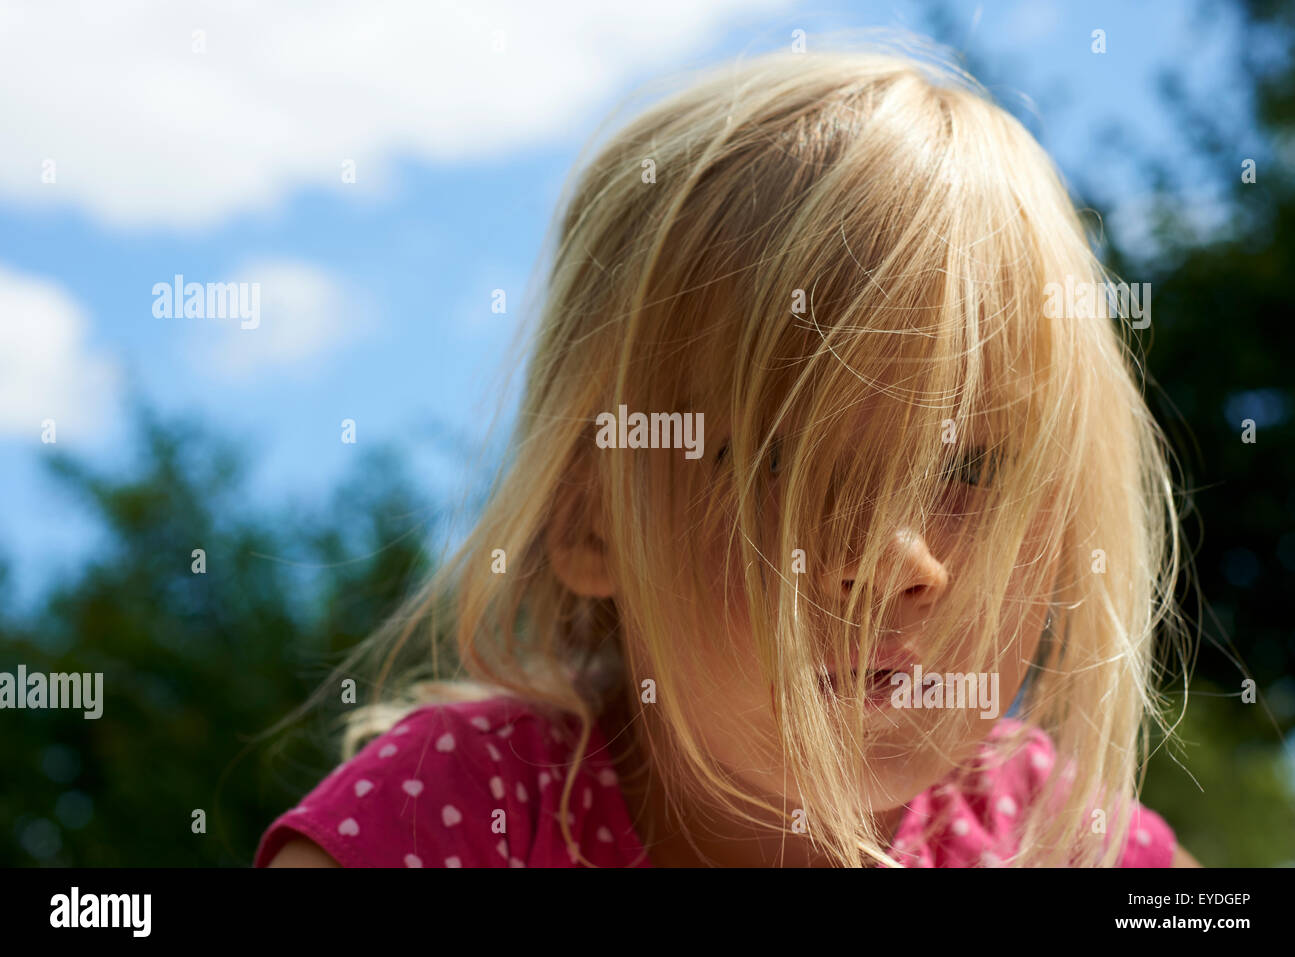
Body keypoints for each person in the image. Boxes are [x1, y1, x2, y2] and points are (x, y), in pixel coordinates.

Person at [257, 35, 1199, 868]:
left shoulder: (1070, 840)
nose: (890, 558)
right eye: (775, 463)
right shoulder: (460, 811)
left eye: (968, 466)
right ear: (590, 518)